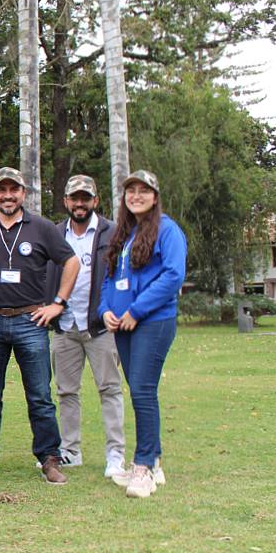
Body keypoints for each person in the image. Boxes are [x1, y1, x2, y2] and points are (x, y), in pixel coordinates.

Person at [0, 167, 80, 484]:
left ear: (23, 193)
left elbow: (71, 261)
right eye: (2, 190)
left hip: (30, 320)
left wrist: (58, 303)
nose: (8, 195)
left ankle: (49, 458)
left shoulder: (41, 228)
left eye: (14, 190)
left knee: (39, 395)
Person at [99, 170, 187, 498]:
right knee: (139, 389)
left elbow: (173, 275)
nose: (136, 196)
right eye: (130, 190)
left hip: (152, 321)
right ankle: (155, 462)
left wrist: (136, 310)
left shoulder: (168, 230)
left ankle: (144, 466)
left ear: (155, 196)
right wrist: (104, 310)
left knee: (142, 390)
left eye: (144, 190)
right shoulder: (124, 234)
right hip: (122, 324)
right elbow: (109, 279)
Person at [45, 175, 126, 477]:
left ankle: (115, 455)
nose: (80, 204)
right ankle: (70, 451)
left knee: (110, 390)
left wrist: (116, 310)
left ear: (95, 201)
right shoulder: (54, 233)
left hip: (100, 326)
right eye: (74, 198)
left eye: (85, 198)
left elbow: (123, 274)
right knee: (66, 392)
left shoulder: (112, 232)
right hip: (65, 325)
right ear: (65, 201)